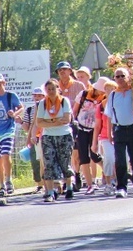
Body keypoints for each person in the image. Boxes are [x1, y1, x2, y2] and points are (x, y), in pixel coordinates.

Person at [105, 67, 133, 198]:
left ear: (128, 77)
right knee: (120, 160)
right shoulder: (113, 95)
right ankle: (121, 187)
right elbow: (109, 115)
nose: (120, 79)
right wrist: (109, 133)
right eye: (117, 77)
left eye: (122, 76)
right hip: (119, 129)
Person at [35, 78, 74, 202]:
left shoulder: (64, 101)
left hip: (64, 135)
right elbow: (39, 122)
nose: (51, 91)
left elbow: (66, 119)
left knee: (64, 162)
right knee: (49, 164)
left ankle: (69, 187)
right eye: (48, 89)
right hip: (48, 137)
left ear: (58, 89)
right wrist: (55, 121)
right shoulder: (42, 103)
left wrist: (49, 122)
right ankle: (51, 192)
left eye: (53, 89)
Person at [73, 76, 106, 194]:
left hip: (95, 130)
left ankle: (109, 176)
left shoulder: (105, 98)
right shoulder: (83, 94)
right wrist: (73, 124)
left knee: (95, 155)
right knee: (83, 158)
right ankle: (89, 185)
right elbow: (75, 110)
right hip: (81, 129)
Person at [56, 61, 85, 191]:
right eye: (60, 70)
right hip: (60, 125)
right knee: (64, 152)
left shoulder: (79, 86)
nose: (62, 72)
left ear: (70, 71)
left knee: (76, 152)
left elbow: (86, 104)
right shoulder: (55, 86)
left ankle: (77, 174)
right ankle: (68, 178)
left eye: (65, 69)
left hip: (76, 123)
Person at [91, 78, 117, 195]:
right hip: (105, 137)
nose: (109, 91)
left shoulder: (120, 103)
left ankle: (117, 180)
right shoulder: (101, 106)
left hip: (119, 136)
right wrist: (94, 143)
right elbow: (97, 126)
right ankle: (108, 182)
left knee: (121, 161)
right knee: (109, 159)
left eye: (112, 89)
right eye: (106, 89)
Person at [21, 86, 47, 194]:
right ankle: (39, 184)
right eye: (35, 95)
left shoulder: (47, 107)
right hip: (34, 137)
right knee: (35, 162)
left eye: (40, 95)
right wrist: (20, 122)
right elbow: (27, 127)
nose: (37, 97)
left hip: (45, 135)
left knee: (45, 161)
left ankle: (49, 183)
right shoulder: (30, 109)